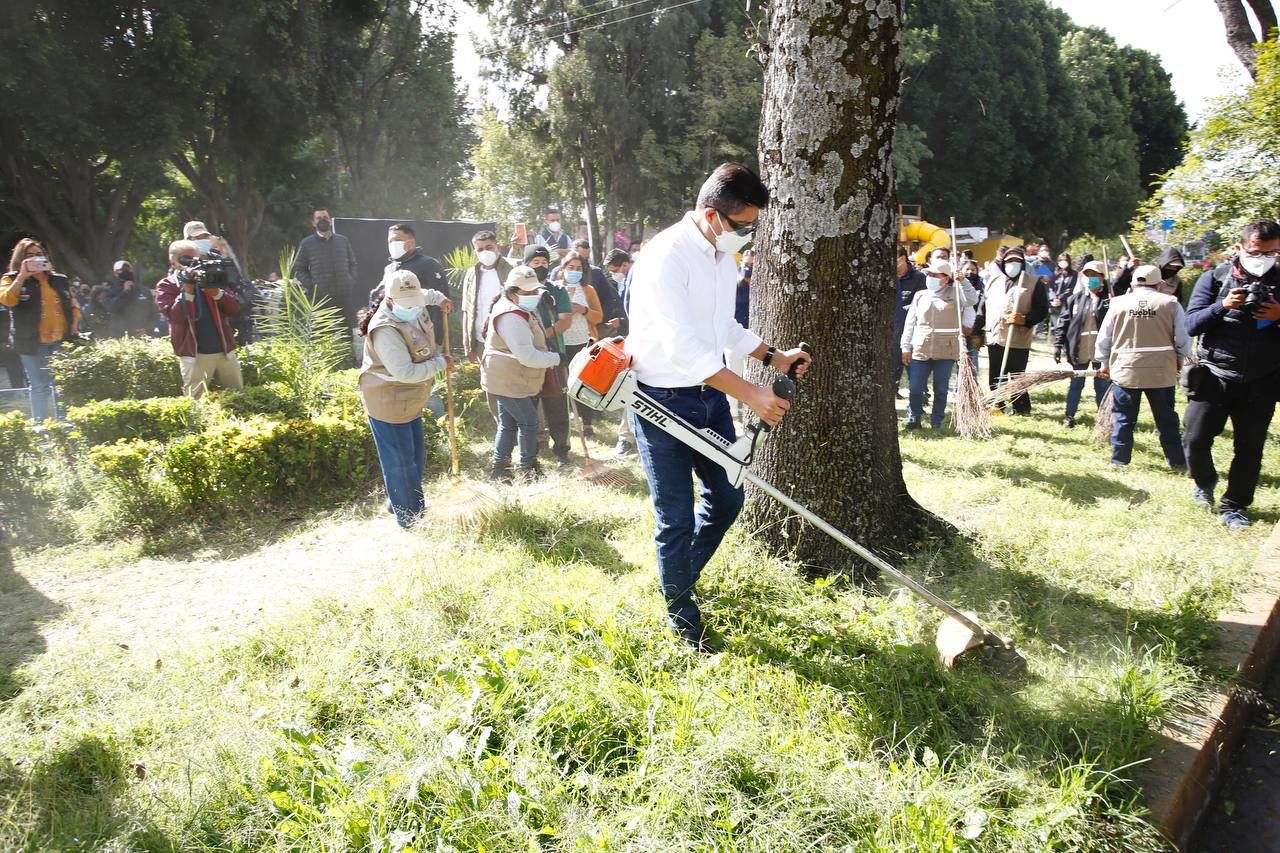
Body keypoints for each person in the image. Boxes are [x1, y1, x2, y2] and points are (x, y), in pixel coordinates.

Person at [626, 162, 811, 649]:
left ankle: (679, 579)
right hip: (661, 401)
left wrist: (774, 356)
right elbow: (684, 350)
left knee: (728, 499)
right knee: (676, 517)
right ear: (711, 215)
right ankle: (683, 620)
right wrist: (753, 394)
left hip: (710, 398)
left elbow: (724, 326)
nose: (747, 235)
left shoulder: (720, 255)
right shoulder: (666, 255)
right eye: (742, 226)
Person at [1183, 220, 1280, 529]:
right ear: (1239, 248)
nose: (1264, 258)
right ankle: (1204, 481)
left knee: (1250, 448)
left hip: (1262, 379)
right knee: (1195, 439)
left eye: (1272, 253)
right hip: (1214, 374)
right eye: (1256, 252)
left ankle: (1235, 505)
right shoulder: (1215, 278)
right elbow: (1190, 325)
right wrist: (1222, 306)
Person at [357, 270, 452, 528]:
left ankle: (398, 501)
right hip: (388, 399)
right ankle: (411, 518)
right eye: (406, 303)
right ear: (389, 299)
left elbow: (427, 295)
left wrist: (440, 299)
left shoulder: (414, 298)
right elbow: (406, 372)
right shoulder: (385, 329)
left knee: (415, 457)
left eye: (415, 301)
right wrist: (441, 363)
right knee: (400, 463)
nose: (412, 307)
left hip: (409, 398)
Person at [1096, 264, 1190, 469]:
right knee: (1166, 419)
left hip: (1126, 369)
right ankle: (1176, 461)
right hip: (1161, 370)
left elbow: (1104, 338)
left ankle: (1119, 460)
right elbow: (1183, 337)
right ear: (1159, 284)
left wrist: (1104, 362)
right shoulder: (1170, 303)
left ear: (1132, 284)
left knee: (1123, 418)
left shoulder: (1117, 303)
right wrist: (1181, 357)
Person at [480, 265, 561, 482]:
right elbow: (527, 356)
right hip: (507, 378)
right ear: (513, 292)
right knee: (529, 422)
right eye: (528, 291)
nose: (534, 295)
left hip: (508, 376)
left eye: (536, 290)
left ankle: (500, 470)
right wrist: (555, 358)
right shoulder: (511, 317)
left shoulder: (516, 307)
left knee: (508, 424)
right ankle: (528, 469)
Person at [0, 239, 80, 421]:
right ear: (20, 259)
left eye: (39, 254)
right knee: (39, 385)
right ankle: (40, 426)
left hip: (61, 340)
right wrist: (22, 276)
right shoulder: (10, 279)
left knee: (62, 384)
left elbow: (73, 304)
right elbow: (7, 300)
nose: (35, 258)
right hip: (31, 342)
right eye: (30, 256)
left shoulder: (59, 279)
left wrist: (75, 323)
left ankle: (64, 424)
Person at [154, 239, 243, 398]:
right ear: (173, 263)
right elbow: (175, 316)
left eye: (196, 259)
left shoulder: (210, 278)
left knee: (238, 397)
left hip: (225, 352)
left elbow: (235, 308)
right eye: (187, 260)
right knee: (194, 402)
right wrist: (187, 291)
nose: (193, 264)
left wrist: (217, 293)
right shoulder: (167, 285)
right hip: (194, 356)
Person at [900, 261, 974, 430]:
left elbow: (971, 300)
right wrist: (906, 347)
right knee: (915, 387)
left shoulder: (956, 293)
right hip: (921, 348)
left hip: (946, 349)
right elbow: (910, 323)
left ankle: (937, 421)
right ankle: (914, 418)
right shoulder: (920, 295)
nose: (931, 278)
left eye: (936, 275)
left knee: (941, 389)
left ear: (946, 279)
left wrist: (963, 282)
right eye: (930, 274)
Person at [980, 246, 1049, 413]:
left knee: (1017, 375)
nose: (1013, 264)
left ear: (1023, 263)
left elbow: (1042, 310)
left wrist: (1025, 319)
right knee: (996, 374)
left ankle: (1021, 408)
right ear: (1003, 263)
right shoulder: (994, 281)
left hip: (1018, 337)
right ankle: (998, 405)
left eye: (1017, 261)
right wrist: (977, 330)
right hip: (995, 336)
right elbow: (983, 307)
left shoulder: (1034, 283)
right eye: (1009, 261)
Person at [523, 244, 575, 465]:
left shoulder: (557, 290)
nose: (541, 266)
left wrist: (543, 335)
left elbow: (565, 320)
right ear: (526, 265)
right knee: (528, 406)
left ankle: (562, 450)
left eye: (544, 262)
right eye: (536, 262)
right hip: (526, 356)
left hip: (553, 353)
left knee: (557, 404)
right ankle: (530, 451)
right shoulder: (519, 290)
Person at [1055, 260, 1111, 427]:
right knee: (1076, 384)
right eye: (1088, 275)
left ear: (1102, 277)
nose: (1091, 278)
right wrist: (1058, 345)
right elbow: (1063, 323)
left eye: (1095, 275)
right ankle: (1069, 416)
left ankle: (1103, 419)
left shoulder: (1109, 300)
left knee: (1102, 386)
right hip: (1080, 349)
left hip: (1101, 351)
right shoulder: (1075, 299)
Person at [555, 252, 604, 436]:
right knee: (563, 382)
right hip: (561, 341)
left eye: (578, 268)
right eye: (571, 268)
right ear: (563, 268)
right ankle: (567, 421)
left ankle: (587, 422)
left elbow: (599, 317)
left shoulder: (588, 290)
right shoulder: (555, 288)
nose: (574, 271)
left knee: (584, 382)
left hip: (584, 341)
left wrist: (583, 310)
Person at [291, 207, 359, 326]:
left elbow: (352, 263)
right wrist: (312, 287)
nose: (323, 220)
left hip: (343, 296)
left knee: (346, 332)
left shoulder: (343, 241)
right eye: (319, 218)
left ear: (330, 220)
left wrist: (350, 281)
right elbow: (299, 269)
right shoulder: (306, 244)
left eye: (325, 217)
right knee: (323, 333)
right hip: (320, 299)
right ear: (313, 223)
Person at [461, 229, 513, 366]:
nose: (485, 252)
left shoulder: (512, 270)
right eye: (480, 249)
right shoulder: (472, 274)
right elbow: (466, 309)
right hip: (480, 341)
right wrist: (467, 342)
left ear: (497, 247)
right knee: (486, 376)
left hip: (507, 340)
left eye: (489, 247)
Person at [894, 246, 927, 396]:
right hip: (892, 333)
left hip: (913, 333)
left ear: (902, 258)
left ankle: (920, 398)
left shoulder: (919, 278)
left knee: (915, 372)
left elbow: (923, 305)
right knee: (893, 370)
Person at [104, 259, 156, 338]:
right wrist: (125, 292)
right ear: (115, 273)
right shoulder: (109, 291)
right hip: (120, 337)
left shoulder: (144, 290)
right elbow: (112, 308)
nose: (126, 272)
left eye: (128, 269)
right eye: (122, 270)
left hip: (143, 336)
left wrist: (147, 329)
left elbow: (154, 313)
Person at [1049, 252, 1077, 331]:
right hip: (1054, 304)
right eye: (1061, 260)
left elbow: (1071, 289)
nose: (1063, 262)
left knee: (1063, 326)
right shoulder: (1055, 274)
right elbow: (1051, 288)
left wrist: (1060, 298)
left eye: (1065, 260)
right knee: (1057, 327)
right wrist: (1054, 299)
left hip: (1067, 303)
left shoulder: (1074, 274)